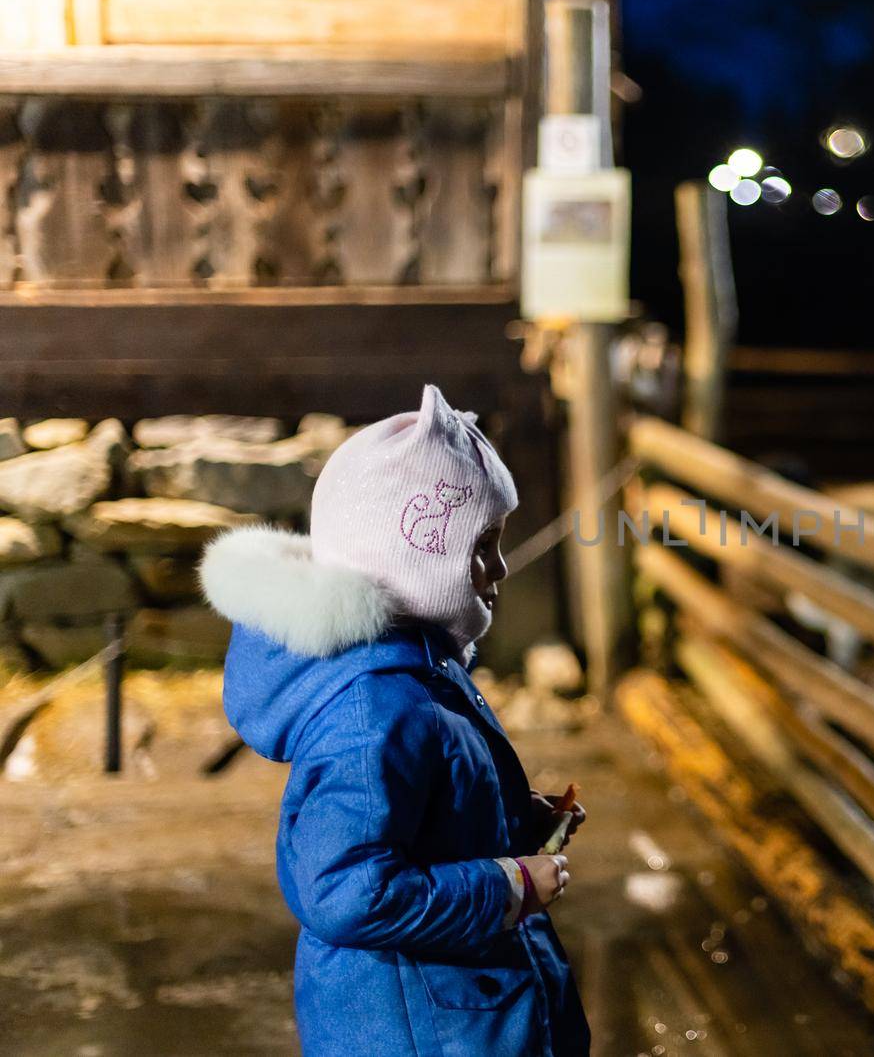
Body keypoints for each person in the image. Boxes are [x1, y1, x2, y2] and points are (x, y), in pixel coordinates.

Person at [201, 385, 590, 1056]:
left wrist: (513, 818)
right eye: (483, 545)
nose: (498, 569)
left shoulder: (418, 666)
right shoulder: (373, 712)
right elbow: (349, 890)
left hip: (456, 1015)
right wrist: (511, 884)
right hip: (420, 1027)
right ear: (414, 551)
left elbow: (422, 816)